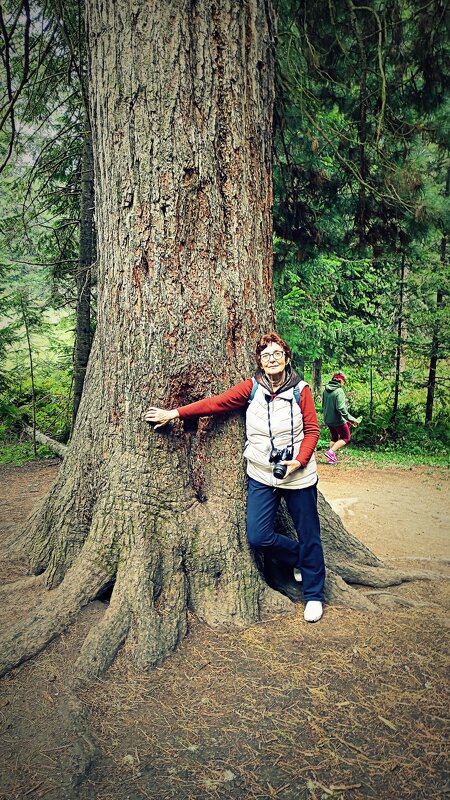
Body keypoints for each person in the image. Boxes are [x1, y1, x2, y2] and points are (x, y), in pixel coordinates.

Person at [144, 332, 325, 623]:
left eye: (277, 354)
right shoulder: (252, 388)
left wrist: (299, 460)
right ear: (260, 362)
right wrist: (174, 413)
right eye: (266, 355)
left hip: (298, 475)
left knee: (309, 533)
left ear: (286, 358)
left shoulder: (300, 390)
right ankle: (305, 559)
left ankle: (314, 594)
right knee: (258, 536)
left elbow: (313, 431)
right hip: (261, 474)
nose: (272, 359)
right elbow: (215, 404)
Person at [322, 371, 359, 464]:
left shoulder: (325, 390)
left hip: (327, 419)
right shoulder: (339, 391)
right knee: (346, 437)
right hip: (337, 420)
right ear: (340, 380)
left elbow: (323, 405)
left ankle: (331, 459)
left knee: (334, 436)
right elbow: (341, 408)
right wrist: (351, 419)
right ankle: (330, 452)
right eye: (344, 381)